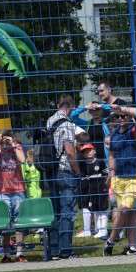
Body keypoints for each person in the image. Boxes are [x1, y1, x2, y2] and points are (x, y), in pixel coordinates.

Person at [103, 105, 136, 256]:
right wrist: (111, 173)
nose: (121, 119)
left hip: (134, 178)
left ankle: (111, 240)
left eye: (124, 116)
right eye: (118, 116)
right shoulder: (114, 133)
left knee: (124, 209)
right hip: (118, 178)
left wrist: (121, 108)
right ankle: (133, 247)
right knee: (128, 213)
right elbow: (111, 154)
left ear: (130, 116)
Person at [46, 95, 84, 260]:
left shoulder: (49, 121)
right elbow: (69, 151)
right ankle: (66, 250)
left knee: (55, 212)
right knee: (68, 211)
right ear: (70, 106)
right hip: (65, 170)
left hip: (50, 171)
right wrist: (77, 170)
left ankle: (54, 249)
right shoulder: (67, 125)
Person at [0, 130, 27, 263]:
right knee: (6, 225)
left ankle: (19, 253)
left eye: (7, 139)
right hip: (3, 192)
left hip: (18, 190)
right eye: (3, 140)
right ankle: (6, 255)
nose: (5, 142)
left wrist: (13, 143)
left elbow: (22, 160)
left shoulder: (16, 147)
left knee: (19, 223)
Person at [77, 143, 109, 238]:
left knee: (102, 209)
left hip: (101, 189)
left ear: (94, 151)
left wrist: (105, 185)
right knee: (95, 209)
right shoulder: (84, 165)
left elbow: (106, 174)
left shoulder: (100, 162)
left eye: (89, 150)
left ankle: (104, 230)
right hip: (92, 190)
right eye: (85, 152)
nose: (88, 153)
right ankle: (98, 229)